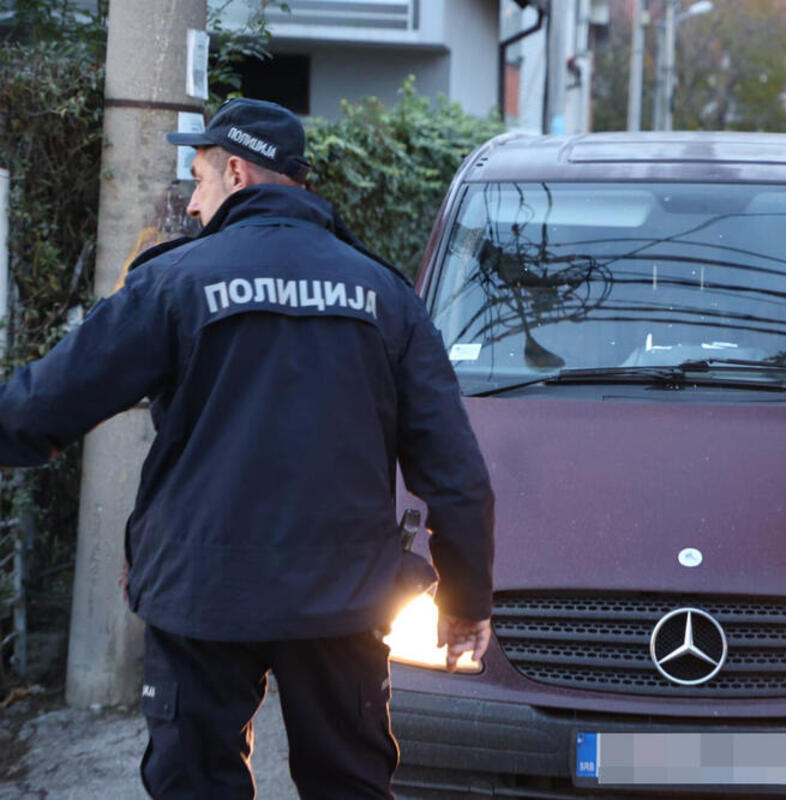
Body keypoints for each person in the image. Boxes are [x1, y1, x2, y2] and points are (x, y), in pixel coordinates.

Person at [0, 97, 495, 799]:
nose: (193, 205)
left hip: (201, 593)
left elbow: (46, 403)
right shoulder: (383, 294)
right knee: (349, 786)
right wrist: (466, 600)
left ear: (236, 172)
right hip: (342, 599)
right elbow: (455, 473)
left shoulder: (175, 281)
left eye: (199, 180)